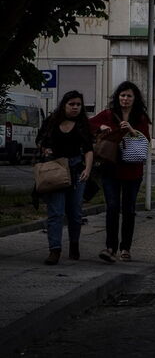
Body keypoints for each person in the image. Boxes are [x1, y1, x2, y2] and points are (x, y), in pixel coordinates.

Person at [89, 81, 151, 263]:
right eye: (122, 95)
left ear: (135, 99)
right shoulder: (108, 114)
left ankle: (126, 248)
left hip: (133, 170)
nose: (125, 99)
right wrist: (100, 127)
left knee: (129, 209)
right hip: (111, 169)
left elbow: (145, 140)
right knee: (112, 207)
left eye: (129, 96)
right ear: (118, 97)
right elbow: (87, 124)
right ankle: (110, 247)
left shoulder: (140, 117)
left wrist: (131, 130)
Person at [35, 91, 94, 265]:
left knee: (75, 213)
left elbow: (89, 148)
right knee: (56, 212)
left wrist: (88, 169)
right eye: (72, 104)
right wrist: (44, 149)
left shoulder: (82, 124)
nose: (75, 107)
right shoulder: (52, 121)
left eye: (78, 104)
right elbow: (40, 140)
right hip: (56, 170)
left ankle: (74, 244)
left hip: (77, 171)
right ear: (64, 105)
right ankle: (55, 250)